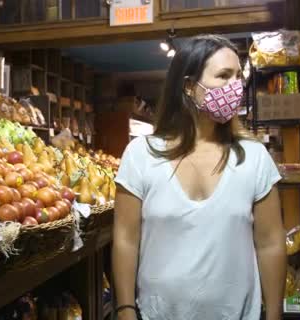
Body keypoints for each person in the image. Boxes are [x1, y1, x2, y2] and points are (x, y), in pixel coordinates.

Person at [112, 34, 286, 320]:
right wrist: (125, 309)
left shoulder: (253, 157)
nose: (236, 87)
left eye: (238, 77)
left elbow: (270, 242)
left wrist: (275, 313)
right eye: (223, 76)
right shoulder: (141, 155)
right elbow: (126, 239)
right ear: (190, 87)